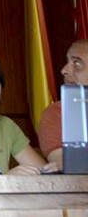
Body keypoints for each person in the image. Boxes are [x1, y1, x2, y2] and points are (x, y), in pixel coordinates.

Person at [38, 39, 88, 170]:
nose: (64, 70)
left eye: (76, 63)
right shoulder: (56, 113)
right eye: (67, 62)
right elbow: (70, 166)